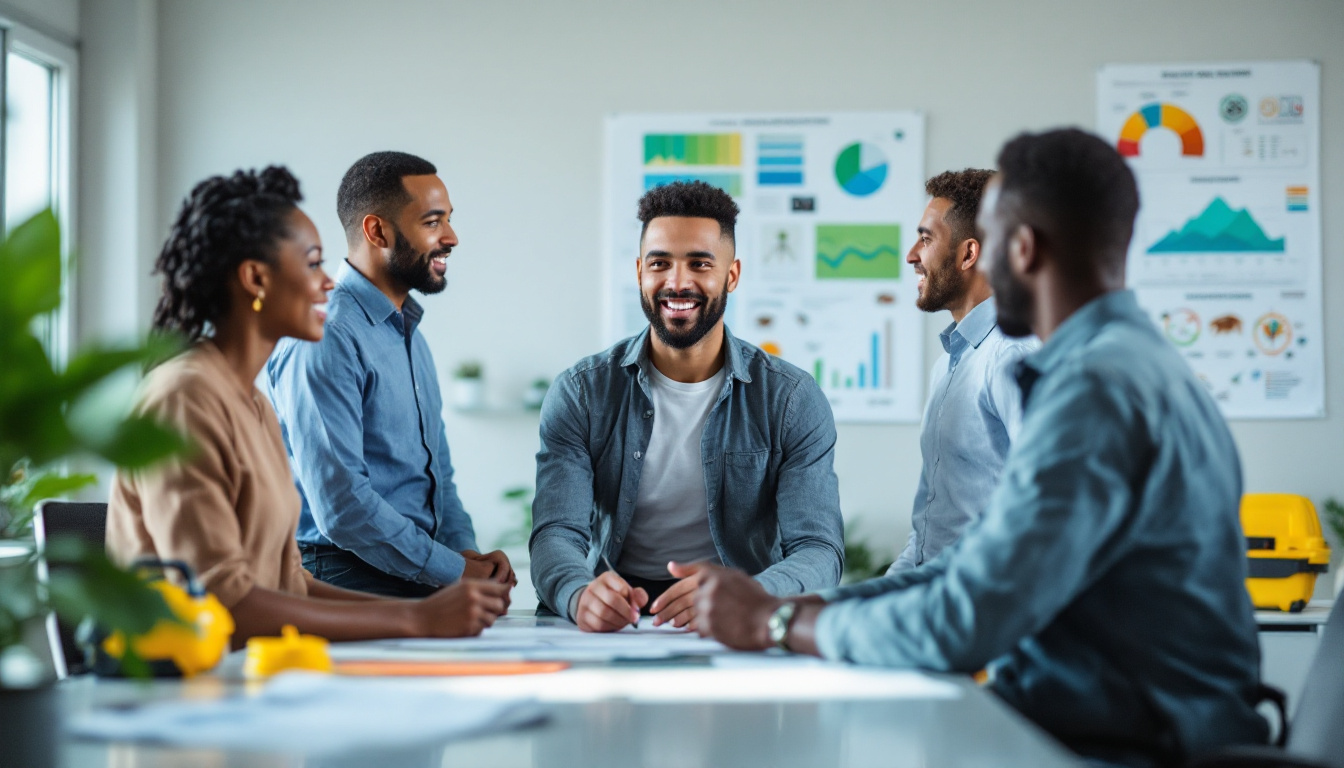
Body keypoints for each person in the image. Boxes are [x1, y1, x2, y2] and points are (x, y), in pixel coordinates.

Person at [677, 129, 1269, 766]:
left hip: (1122, 744)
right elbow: (978, 567)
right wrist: (799, 606)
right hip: (1109, 722)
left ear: (1020, 248)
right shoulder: (1137, 364)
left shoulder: (1093, 389)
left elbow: (974, 614)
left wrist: (774, 625)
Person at [107, 167, 508, 644]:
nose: (328, 284)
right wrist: (415, 619)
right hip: (178, 690)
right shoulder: (183, 398)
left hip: (245, 671)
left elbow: (290, 585)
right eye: (313, 264)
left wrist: (432, 607)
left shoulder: (249, 401)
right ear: (256, 278)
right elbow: (216, 603)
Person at [530, 180, 845, 633]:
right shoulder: (582, 393)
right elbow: (556, 533)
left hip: (737, 608)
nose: (678, 283)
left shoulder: (791, 398)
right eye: (660, 263)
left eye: (700, 263)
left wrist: (751, 594)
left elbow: (818, 549)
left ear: (731, 275)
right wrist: (578, 594)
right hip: (614, 613)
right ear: (640, 271)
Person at [266, 152, 514, 599]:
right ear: (377, 231)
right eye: (433, 222)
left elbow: (439, 473)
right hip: (343, 576)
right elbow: (341, 508)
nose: (452, 237)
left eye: (449, 220)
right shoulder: (325, 333)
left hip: (413, 571)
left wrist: (464, 556)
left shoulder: (409, 334)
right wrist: (452, 570)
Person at [892, 169, 1037, 573]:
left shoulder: (1015, 358)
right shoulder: (951, 361)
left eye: (926, 238)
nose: (911, 255)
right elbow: (929, 534)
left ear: (968, 254)